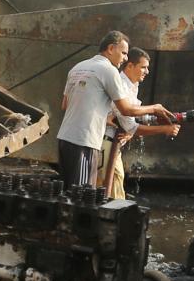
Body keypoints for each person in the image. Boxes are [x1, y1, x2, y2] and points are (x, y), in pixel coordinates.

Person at [57, 31, 176, 188]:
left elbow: (65, 105)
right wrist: (155, 108)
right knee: (81, 197)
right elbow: (126, 110)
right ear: (111, 49)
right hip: (84, 141)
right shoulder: (108, 70)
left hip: (64, 138)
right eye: (124, 53)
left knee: (66, 193)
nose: (126, 58)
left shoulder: (78, 67)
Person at [99, 49, 182, 199]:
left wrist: (154, 117)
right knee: (113, 195)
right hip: (106, 145)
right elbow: (132, 126)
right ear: (130, 66)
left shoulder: (131, 85)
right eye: (143, 67)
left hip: (109, 146)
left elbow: (132, 118)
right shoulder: (122, 86)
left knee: (105, 191)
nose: (147, 71)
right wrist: (165, 129)